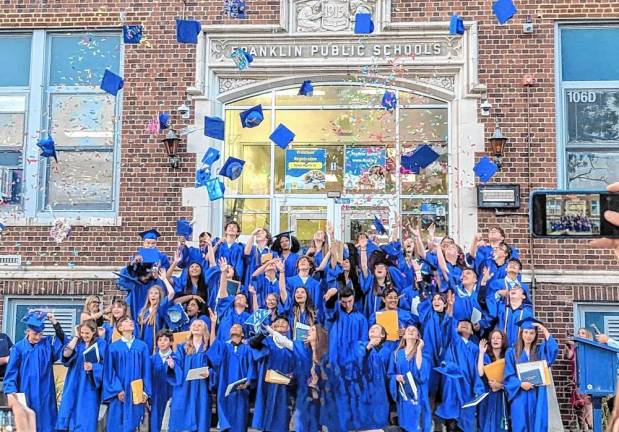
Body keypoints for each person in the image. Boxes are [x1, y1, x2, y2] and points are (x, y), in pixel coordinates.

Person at [3, 311, 66, 432]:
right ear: (27, 331)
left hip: (45, 393)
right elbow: (11, 374)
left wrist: (54, 322)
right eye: (35, 334)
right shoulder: (18, 348)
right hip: (26, 393)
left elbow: (62, 342)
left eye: (40, 334)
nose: (38, 337)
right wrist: (12, 393)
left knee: (47, 424)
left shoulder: (46, 344)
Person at [323, 286, 368, 431]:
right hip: (336, 362)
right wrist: (332, 295)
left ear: (354, 298)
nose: (347, 304)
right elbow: (329, 308)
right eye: (344, 302)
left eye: (349, 301)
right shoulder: (336, 313)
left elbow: (363, 342)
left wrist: (358, 361)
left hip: (354, 365)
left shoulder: (361, 318)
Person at [504, 317, 559, 432]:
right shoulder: (511, 352)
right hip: (519, 395)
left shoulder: (540, 351)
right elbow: (508, 375)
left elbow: (553, 351)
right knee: (520, 425)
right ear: (521, 333)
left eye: (532, 333)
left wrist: (544, 330)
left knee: (537, 424)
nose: (528, 335)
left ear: (535, 335)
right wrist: (520, 384)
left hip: (536, 394)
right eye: (526, 332)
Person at [56, 320, 107, 432]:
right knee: (69, 411)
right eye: (82, 332)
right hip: (73, 382)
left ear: (94, 332)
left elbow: (107, 367)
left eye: (87, 333)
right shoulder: (77, 343)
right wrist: (75, 336)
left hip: (89, 385)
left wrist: (94, 367)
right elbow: (66, 355)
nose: (84, 335)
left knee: (86, 416)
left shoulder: (101, 344)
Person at [103, 317, 152, 432]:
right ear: (120, 328)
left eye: (131, 321)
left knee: (135, 423)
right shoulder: (113, 347)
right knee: (116, 423)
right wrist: (117, 390)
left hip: (136, 393)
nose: (130, 322)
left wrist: (145, 391)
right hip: (120, 393)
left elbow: (147, 371)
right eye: (126, 321)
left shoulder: (142, 346)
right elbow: (109, 371)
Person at [167, 318, 216, 432]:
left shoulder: (208, 348)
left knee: (201, 418)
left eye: (199, 325)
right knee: (181, 418)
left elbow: (216, 366)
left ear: (204, 329)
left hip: (201, 388)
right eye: (193, 325)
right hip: (185, 387)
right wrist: (173, 365)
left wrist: (210, 372)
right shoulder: (182, 347)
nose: (196, 327)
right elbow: (176, 362)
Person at [249, 317, 296, 432]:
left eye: (283, 322)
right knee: (266, 414)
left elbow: (298, 364)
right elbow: (253, 344)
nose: (280, 323)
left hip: (284, 386)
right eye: (277, 322)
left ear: (288, 328)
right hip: (267, 384)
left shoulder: (292, 345)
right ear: (272, 326)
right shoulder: (267, 341)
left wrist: (293, 375)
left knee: (281, 417)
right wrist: (264, 333)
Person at [208, 324, 254, 432]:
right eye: (232, 327)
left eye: (238, 327)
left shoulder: (247, 350)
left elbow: (252, 368)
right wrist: (213, 323)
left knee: (240, 420)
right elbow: (213, 349)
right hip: (224, 389)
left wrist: (247, 383)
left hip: (241, 390)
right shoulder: (224, 347)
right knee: (225, 419)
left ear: (242, 334)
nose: (234, 328)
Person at [389, 325, 429, 432]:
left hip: (419, 394)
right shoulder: (396, 354)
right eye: (408, 330)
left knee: (419, 424)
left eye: (414, 330)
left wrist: (419, 349)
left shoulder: (424, 354)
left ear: (418, 336)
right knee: (405, 424)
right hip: (404, 395)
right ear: (404, 335)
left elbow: (421, 374)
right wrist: (396, 377)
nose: (411, 331)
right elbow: (390, 374)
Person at [292, 325, 329, 432]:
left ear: (319, 335)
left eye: (312, 330)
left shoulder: (326, 355)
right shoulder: (305, 353)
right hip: (305, 398)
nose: (308, 331)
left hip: (321, 400)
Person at [357, 324, 392, 430]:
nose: (372, 329)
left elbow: (390, 373)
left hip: (381, 394)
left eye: (376, 328)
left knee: (379, 424)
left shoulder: (388, 351)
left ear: (382, 335)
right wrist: (368, 347)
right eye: (371, 328)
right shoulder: (360, 346)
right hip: (363, 391)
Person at [477, 329, 509, 432]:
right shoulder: (486, 356)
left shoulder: (508, 357)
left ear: (503, 340)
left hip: (503, 394)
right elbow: (481, 373)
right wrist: (481, 353)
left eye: (498, 338)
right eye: (493, 338)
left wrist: (500, 385)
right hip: (489, 393)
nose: (495, 340)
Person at [137, 269, 175, 354]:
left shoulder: (160, 308)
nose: (153, 295)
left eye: (156, 293)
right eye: (151, 293)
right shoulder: (143, 311)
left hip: (157, 344)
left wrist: (164, 279)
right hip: (144, 343)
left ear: (160, 296)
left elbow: (171, 293)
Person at [566, 328, 594, 431]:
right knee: (579, 405)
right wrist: (568, 347)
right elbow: (569, 356)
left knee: (587, 403)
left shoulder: (590, 348)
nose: (580, 334)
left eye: (583, 333)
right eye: (579, 333)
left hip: (587, 380)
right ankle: (584, 427)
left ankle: (590, 424)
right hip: (576, 380)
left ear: (587, 336)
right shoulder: (575, 347)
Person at [150, 329, 174, 432]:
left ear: (171, 341)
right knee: (155, 423)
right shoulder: (151, 359)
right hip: (155, 396)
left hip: (171, 395)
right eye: (160, 340)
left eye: (165, 339)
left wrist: (173, 368)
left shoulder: (177, 358)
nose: (162, 342)